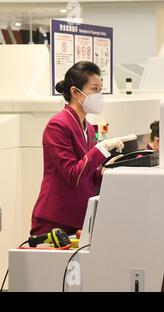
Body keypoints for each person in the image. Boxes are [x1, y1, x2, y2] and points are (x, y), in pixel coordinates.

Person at [31, 61, 135, 235]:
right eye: (94, 89)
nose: (99, 95)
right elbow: (73, 175)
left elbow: (90, 176)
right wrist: (101, 148)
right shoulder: (58, 125)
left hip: (79, 218)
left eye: (100, 90)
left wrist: (110, 169)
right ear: (74, 92)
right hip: (55, 220)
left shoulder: (88, 127)